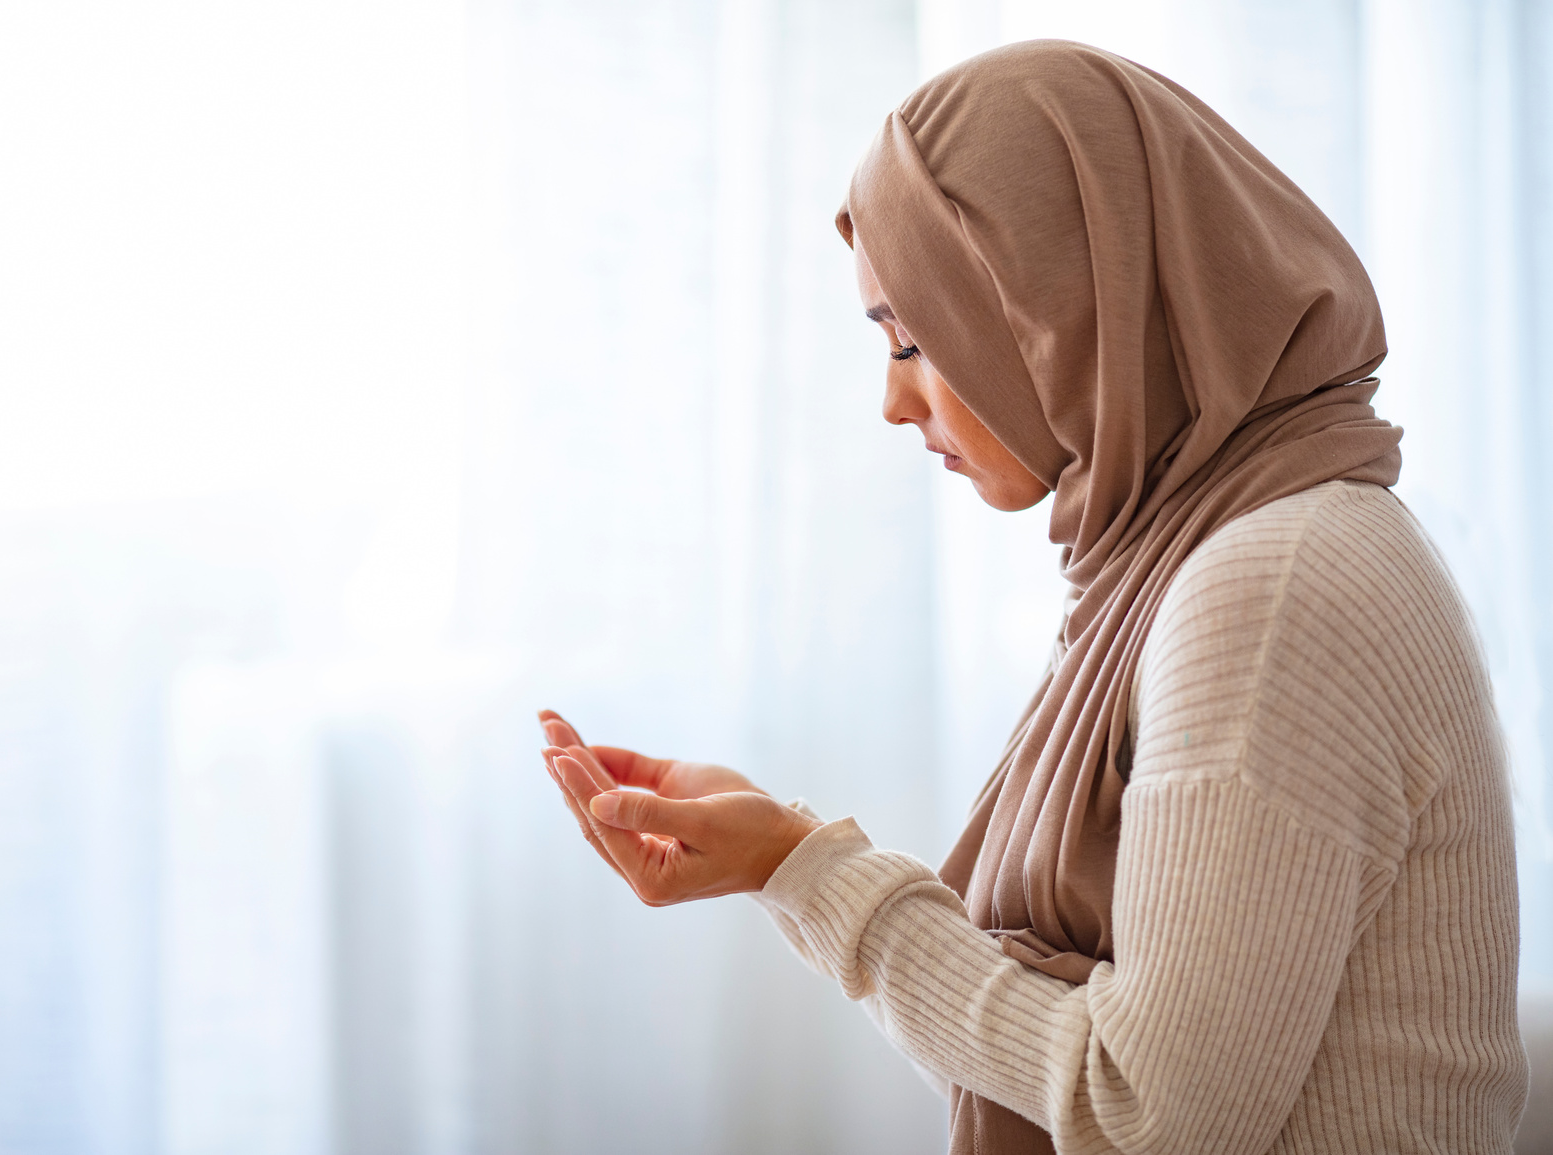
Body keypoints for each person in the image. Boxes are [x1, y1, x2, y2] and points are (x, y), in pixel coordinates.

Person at [537, 39, 1530, 1155]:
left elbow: (1140, 1114)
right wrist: (783, 858)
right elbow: (1062, 1067)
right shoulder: (1222, 548)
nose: (891, 402)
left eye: (914, 338)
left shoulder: (1265, 593)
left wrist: (799, 867)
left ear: (1065, 311)